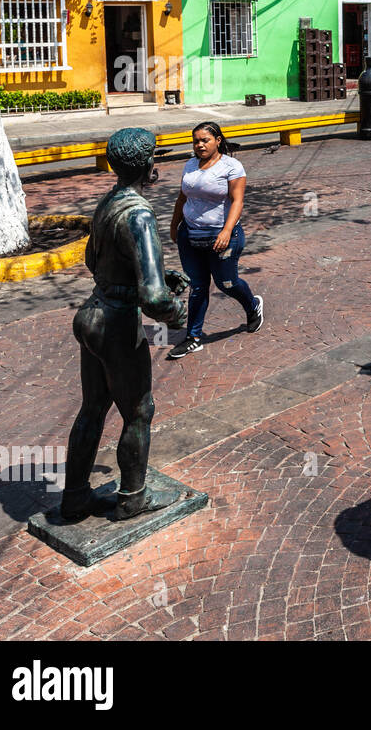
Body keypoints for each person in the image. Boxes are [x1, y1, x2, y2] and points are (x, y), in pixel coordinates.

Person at [62, 128, 188, 521]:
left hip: (91, 315)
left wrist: (158, 272)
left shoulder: (109, 202)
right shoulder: (139, 213)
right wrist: (176, 313)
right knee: (139, 411)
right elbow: (152, 299)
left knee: (92, 410)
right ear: (148, 165)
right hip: (117, 324)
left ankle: (76, 497)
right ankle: (133, 497)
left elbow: (95, 262)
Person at [167, 122, 263, 359]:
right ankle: (194, 337)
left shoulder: (232, 167)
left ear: (218, 140)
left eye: (205, 140)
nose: (199, 145)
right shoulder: (190, 164)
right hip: (190, 235)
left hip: (222, 237)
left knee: (226, 283)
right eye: (196, 141)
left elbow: (237, 201)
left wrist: (227, 231)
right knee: (197, 286)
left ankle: (253, 306)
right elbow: (182, 198)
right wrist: (174, 225)